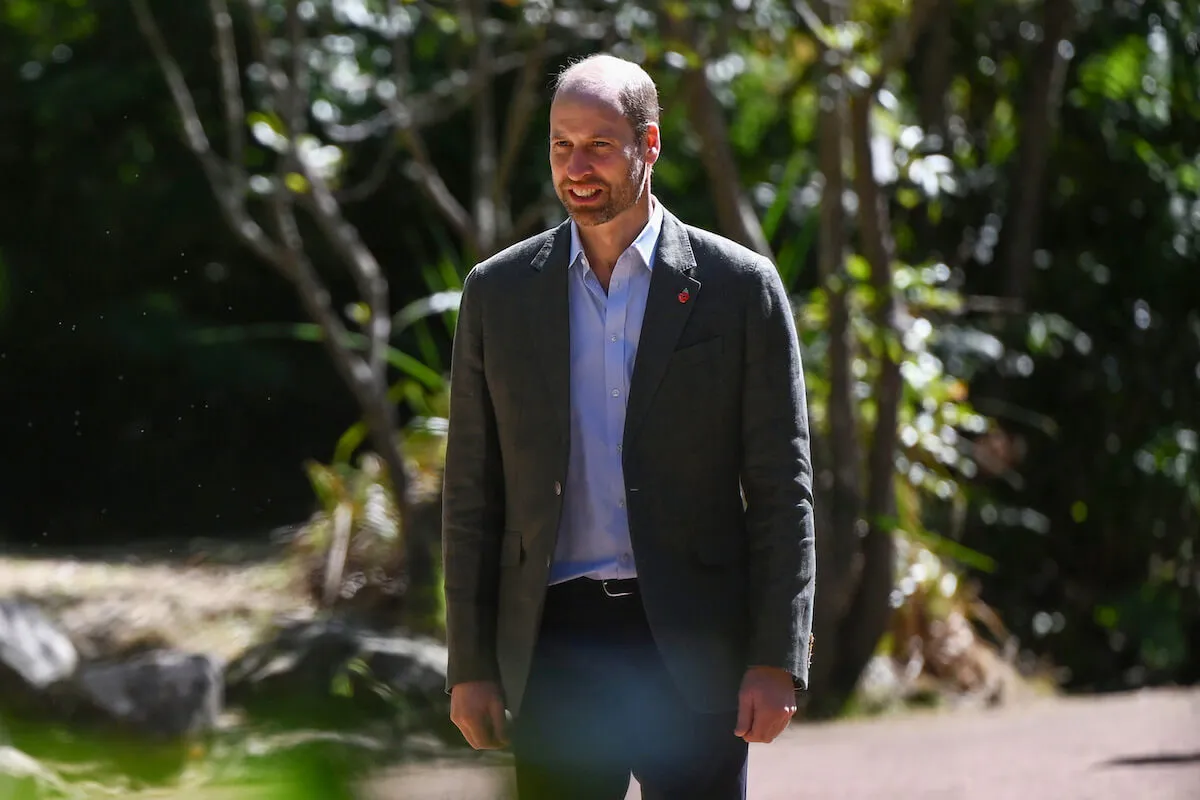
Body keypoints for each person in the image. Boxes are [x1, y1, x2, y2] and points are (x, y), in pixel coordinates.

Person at [440, 52, 816, 800]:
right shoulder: (498, 294)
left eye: (599, 146)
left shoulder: (739, 289)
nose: (576, 166)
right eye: (560, 145)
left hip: (692, 643)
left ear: (650, 146)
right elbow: (472, 493)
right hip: (555, 647)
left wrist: (778, 655)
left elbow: (782, 487)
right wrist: (470, 664)